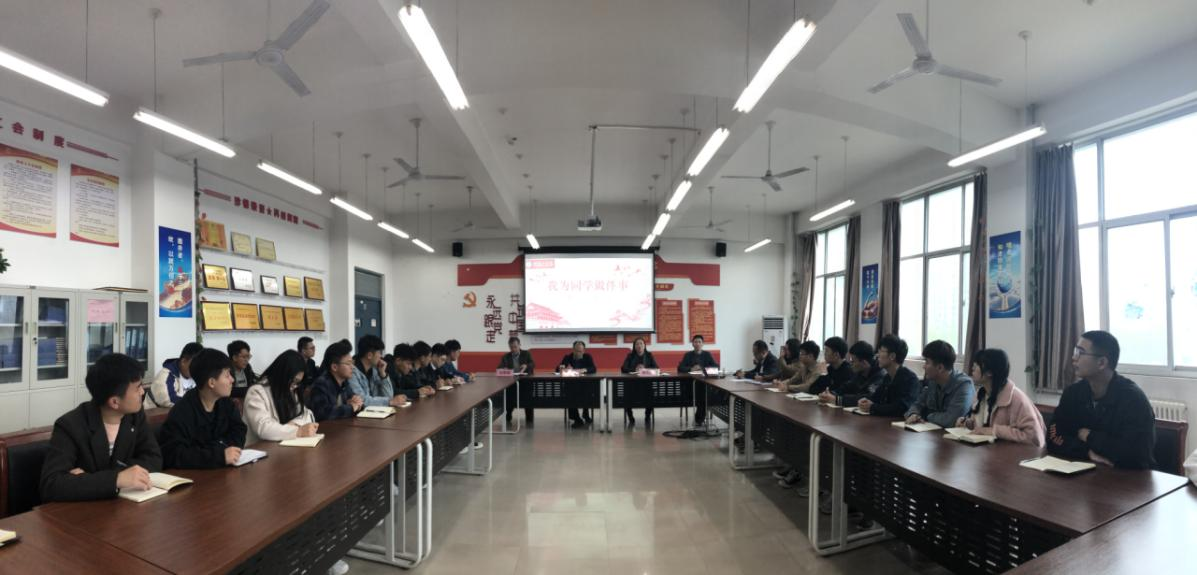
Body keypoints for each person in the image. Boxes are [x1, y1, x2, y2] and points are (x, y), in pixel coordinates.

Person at [40, 353, 162, 502]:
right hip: (83, 512)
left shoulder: (135, 416)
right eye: (138, 388)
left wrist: (92, 478)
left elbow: (153, 459)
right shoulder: (70, 426)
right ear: (114, 402)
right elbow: (51, 485)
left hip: (122, 506)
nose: (143, 392)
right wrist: (117, 479)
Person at [1047, 331, 1155, 468]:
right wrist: (1086, 452)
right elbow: (1053, 437)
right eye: (1075, 351)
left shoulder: (1133, 400)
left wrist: (1089, 435)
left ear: (1101, 363)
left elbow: (1135, 453)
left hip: (1129, 477)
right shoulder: (1073, 393)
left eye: (1080, 352)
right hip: (1086, 471)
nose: (1074, 358)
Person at [157, 349, 248, 469]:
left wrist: (221, 450)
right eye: (227, 375)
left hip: (221, 470)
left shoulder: (226, 403)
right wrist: (218, 455)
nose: (232, 380)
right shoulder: (183, 412)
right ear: (211, 383)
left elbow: (239, 430)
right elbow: (174, 454)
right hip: (192, 476)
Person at [957, 348, 1044, 446]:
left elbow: (1034, 438)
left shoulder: (1017, 399)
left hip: (1011, 454)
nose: (972, 367)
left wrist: (994, 431)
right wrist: (968, 424)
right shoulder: (981, 394)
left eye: (977, 364)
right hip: (987, 452)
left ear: (989, 372)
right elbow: (983, 427)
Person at [243, 350, 319, 445]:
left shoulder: (291, 389)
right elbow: (263, 428)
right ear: (282, 375)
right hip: (260, 448)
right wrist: (297, 431)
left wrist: (292, 426)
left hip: (285, 446)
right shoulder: (257, 392)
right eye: (293, 381)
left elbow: (306, 414)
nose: (294, 386)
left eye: (297, 382)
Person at [905, 340, 975, 428]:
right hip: (933, 434)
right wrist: (913, 414)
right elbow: (917, 404)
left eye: (927, 362)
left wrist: (926, 416)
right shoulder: (932, 382)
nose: (924, 366)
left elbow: (951, 420)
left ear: (940, 368)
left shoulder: (964, 385)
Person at [856, 334, 920, 417]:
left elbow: (902, 408)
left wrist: (872, 407)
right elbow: (876, 398)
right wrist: (865, 402)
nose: (877, 355)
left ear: (892, 356)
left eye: (881, 351)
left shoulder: (910, 379)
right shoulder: (887, 377)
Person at [308, 340, 366, 421]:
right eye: (348, 363)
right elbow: (322, 413)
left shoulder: (344, 382)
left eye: (352, 363)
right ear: (334, 367)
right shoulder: (321, 384)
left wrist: (358, 404)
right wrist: (351, 407)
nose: (352, 367)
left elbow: (357, 403)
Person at [347, 335, 407, 408]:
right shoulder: (351, 372)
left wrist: (383, 374)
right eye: (379, 353)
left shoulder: (374, 370)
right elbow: (362, 401)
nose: (381, 356)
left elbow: (389, 395)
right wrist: (389, 401)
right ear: (369, 355)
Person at [818, 341, 884, 407]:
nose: (850, 364)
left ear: (864, 363)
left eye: (853, 361)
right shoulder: (860, 373)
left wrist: (837, 400)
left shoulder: (880, 376)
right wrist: (829, 394)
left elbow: (868, 397)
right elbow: (846, 387)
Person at [144, 342, 203, 409]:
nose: (198, 369)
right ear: (183, 361)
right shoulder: (165, 376)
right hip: (154, 413)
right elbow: (169, 399)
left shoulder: (197, 376)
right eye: (196, 365)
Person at [678, 334, 718, 425]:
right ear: (692, 344)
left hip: (704, 384)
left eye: (699, 342)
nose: (697, 344)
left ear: (703, 344)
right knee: (703, 394)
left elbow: (715, 367)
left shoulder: (707, 354)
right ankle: (699, 419)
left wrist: (702, 369)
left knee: (704, 393)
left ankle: (699, 418)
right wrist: (691, 369)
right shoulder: (688, 355)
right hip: (690, 385)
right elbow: (680, 368)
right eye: (695, 342)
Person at [621, 337, 659, 426]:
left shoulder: (649, 355)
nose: (639, 346)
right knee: (627, 394)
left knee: (651, 393)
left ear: (644, 346)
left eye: (641, 343)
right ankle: (630, 416)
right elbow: (623, 368)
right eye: (637, 344)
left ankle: (647, 415)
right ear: (634, 346)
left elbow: (656, 368)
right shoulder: (630, 356)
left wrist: (644, 370)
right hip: (632, 384)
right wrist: (635, 369)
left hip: (646, 383)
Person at [497, 336, 535, 425]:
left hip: (525, 381)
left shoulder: (526, 354)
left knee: (528, 398)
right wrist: (503, 369)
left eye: (515, 347)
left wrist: (526, 366)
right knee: (509, 396)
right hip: (511, 382)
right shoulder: (506, 357)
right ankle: (508, 415)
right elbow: (499, 368)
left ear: (519, 345)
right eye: (511, 347)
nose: (513, 349)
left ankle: (529, 418)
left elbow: (533, 364)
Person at [560, 340, 598, 428]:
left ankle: (585, 414)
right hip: (571, 385)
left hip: (584, 384)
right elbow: (558, 369)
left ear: (584, 350)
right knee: (570, 394)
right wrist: (565, 368)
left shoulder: (587, 357)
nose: (578, 353)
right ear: (573, 350)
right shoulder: (567, 357)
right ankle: (577, 419)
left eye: (580, 351)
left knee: (587, 392)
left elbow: (593, 368)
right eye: (576, 351)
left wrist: (584, 370)